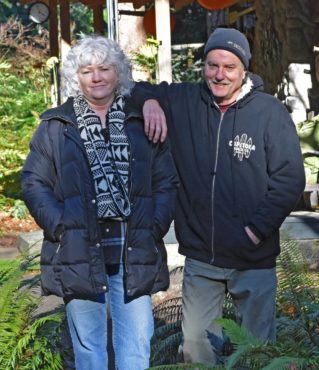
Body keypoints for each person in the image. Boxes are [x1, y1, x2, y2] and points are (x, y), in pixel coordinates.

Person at [137, 27, 306, 365]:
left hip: (253, 257)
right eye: (212, 65)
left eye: (229, 67)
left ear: (244, 69)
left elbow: (290, 179)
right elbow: (132, 89)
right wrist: (150, 102)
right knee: (196, 346)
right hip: (202, 257)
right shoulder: (184, 101)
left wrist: (256, 229)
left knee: (258, 351)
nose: (219, 74)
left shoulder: (269, 113)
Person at [21, 34, 178, 370]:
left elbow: (166, 181)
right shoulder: (55, 126)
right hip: (79, 247)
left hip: (133, 246)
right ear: (75, 78)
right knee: (90, 350)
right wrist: (61, 226)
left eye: (104, 68)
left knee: (136, 346)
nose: (96, 77)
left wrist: (154, 226)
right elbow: (34, 183)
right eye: (87, 70)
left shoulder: (141, 121)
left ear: (118, 73)